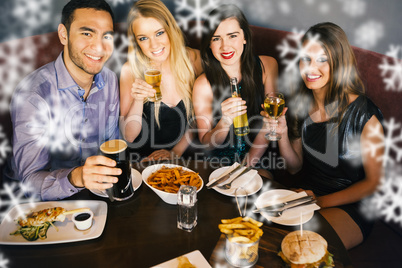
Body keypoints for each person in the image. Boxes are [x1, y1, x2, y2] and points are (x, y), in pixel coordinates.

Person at [263, 22, 384, 249]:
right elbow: (294, 167)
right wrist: (282, 134)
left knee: (303, 246)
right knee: (264, 234)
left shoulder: (364, 114)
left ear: (338, 63)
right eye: (305, 58)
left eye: (322, 60)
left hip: (352, 204)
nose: (311, 68)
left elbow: (374, 183)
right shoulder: (300, 104)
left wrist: (319, 202)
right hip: (309, 194)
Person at [5, 0, 121, 201]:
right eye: (87, 33)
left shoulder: (110, 80)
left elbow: (112, 146)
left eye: (107, 36)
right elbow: (29, 182)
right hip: (35, 203)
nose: (99, 47)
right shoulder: (33, 94)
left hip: (95, 193)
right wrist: (77, 177)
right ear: (63, 34)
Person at [192, 4, 278, 167]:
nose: (225, 46)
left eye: (232, 36)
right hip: (218, 164)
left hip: (258, 160)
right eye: (216, 38)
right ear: (209, 44)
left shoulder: (268, 66)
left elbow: (270, 122)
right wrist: (224, 122)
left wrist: (247, 166)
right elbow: (206, 143)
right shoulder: (203, 85)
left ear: (245, 37)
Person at [119, 0, 202, 161]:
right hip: (143, 161)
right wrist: (138, 99)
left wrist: (176, 152)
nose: (154, 44)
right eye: (143, 38)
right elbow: (129, 136)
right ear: (136, 42)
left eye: (159, 33)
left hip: (186, 160)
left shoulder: (194, 60)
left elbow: (201, 117)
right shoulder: (130, 70)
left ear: (170, 30)